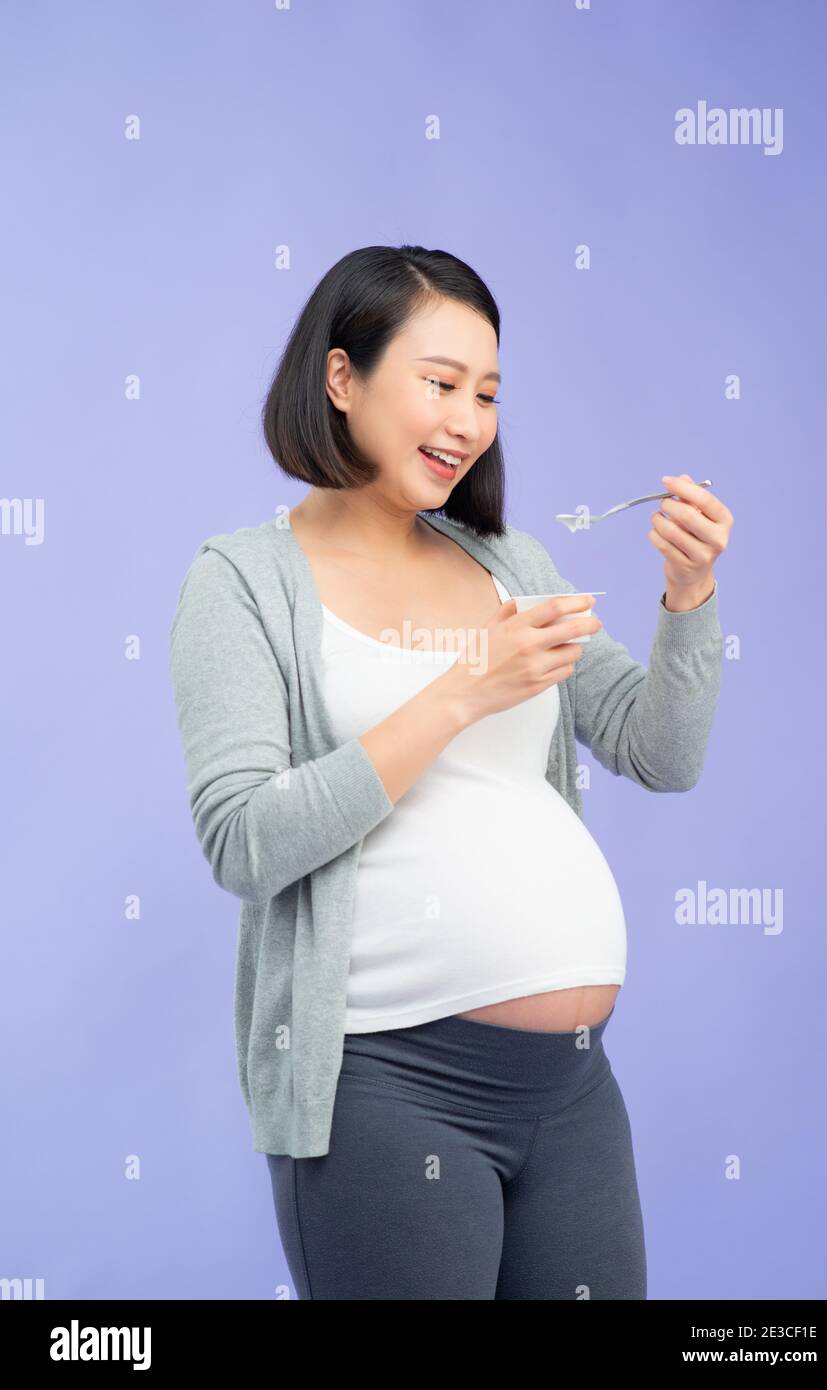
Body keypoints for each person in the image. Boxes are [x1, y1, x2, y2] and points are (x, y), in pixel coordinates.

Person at [169, 244, 732, 1299]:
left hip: (571, 1093)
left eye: (487, 392)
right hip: (387, 1091)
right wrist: (464, 689)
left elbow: (662, 753)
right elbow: (245, 841)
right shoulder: (241, 583)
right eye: (439, 383)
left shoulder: (506, 563)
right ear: (342, 379)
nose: (469, 421)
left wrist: (689, 594)